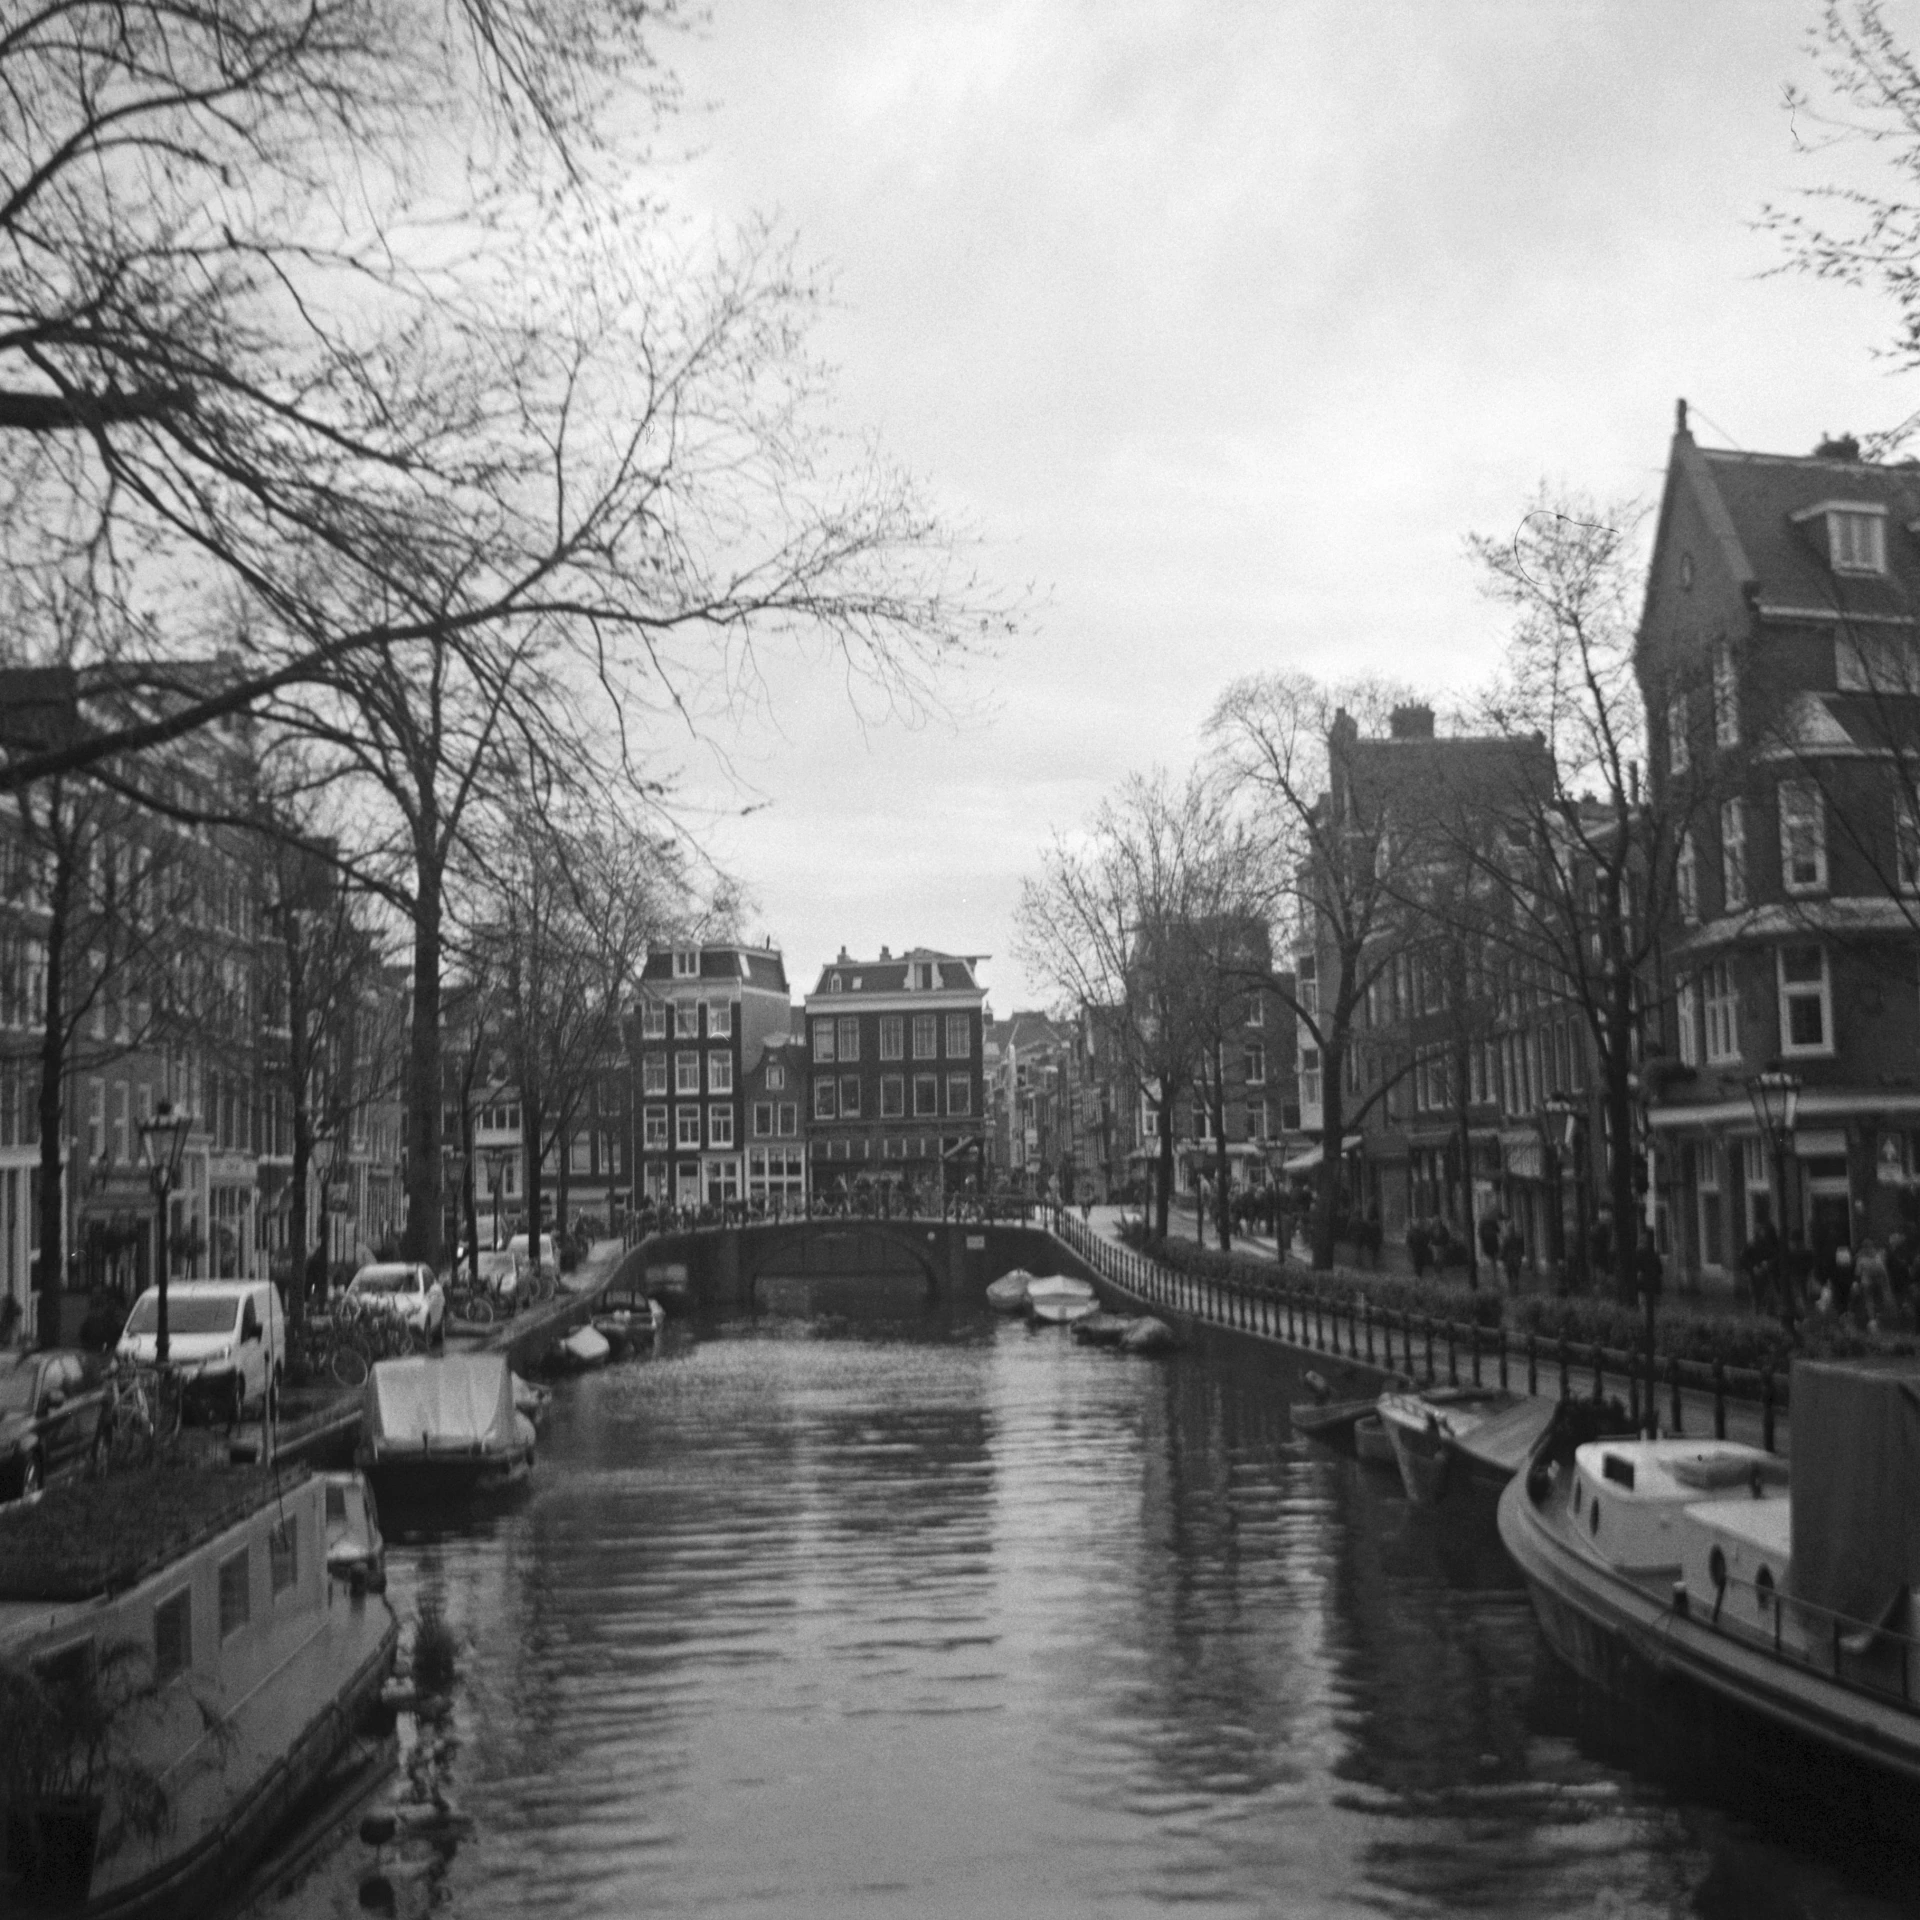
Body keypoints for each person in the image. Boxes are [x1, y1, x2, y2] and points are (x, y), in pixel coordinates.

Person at [1500, 1221, 1525, 1292]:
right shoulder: (1518, 1237)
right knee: (1516, 1271)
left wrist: (1502, 1257)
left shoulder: (1506, 1238)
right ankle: (1516, 1284)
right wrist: (1521, 1254)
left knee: (1509, 1273)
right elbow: (1521, 1247)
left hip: (1509, 1258)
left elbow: (1503, 1249)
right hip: (1516, 1257)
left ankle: (1511, 1285)